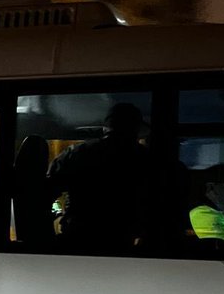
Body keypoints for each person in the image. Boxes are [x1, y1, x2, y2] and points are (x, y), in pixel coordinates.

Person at [46, 102, 151, 250]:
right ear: (136, 129)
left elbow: (46, 191)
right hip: (122, 241)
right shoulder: (146, 160)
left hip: (77, 238)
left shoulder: (77, 153)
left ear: (105, 128)